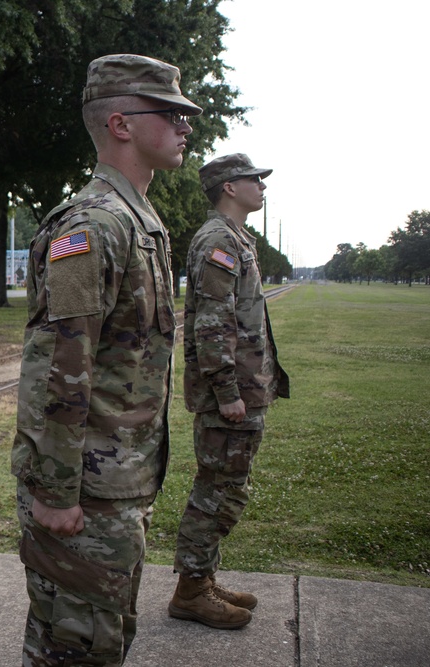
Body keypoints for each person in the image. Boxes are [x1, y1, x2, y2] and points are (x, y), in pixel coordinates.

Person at [11, 54, 201, 665]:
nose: (186, 124)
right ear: (121, 124)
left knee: (105, 636)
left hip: (117, 481)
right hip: (85, 490)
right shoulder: (94, 227)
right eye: (170, 112)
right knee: (75, 646)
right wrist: (56, 490)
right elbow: (59, 367)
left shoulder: (140, 221)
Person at [168, 154, 290, 629]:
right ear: (228, 186)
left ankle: (202, 576)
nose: (262, 186)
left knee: (227, 487)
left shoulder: (236, 238)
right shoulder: (218, 240)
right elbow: (213, 324)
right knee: (217, 490)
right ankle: (191, 590)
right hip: (231, 393)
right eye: (254, 179)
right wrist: (226, 390)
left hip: (245, 387)